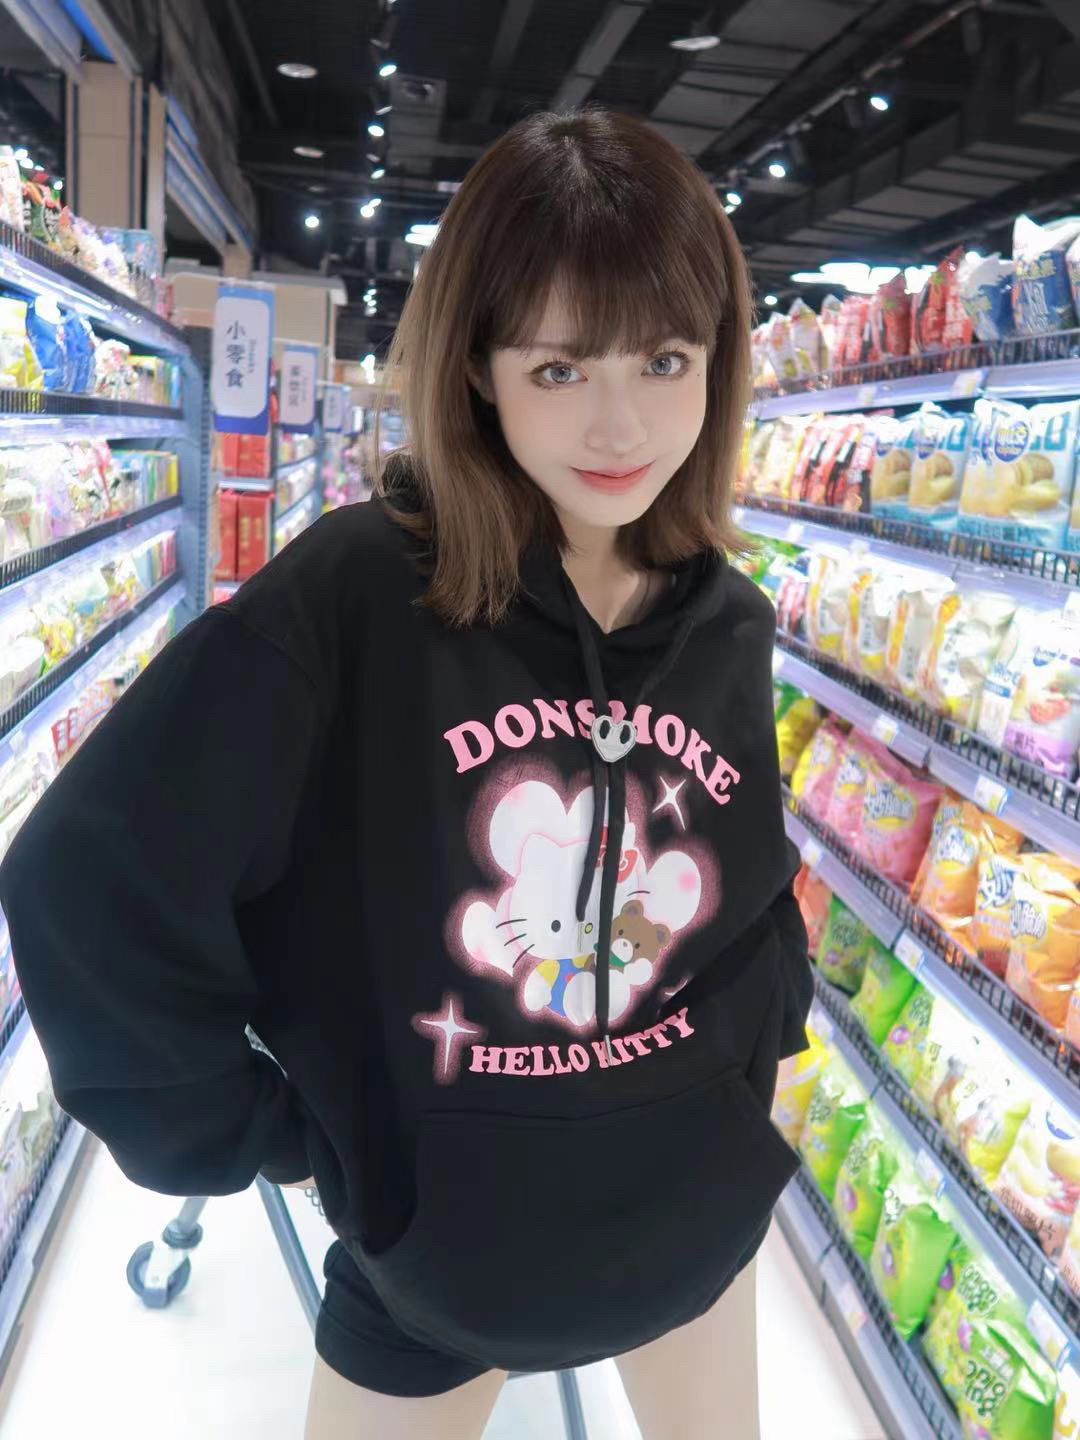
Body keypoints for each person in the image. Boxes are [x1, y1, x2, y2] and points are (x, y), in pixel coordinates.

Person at [0, 105, 813, 1438]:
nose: (620, 421)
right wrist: (280, 1134)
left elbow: (750, 887)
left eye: (665, 359)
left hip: (692, 1224)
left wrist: (740, 1070)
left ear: (719, 363)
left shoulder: (724, 618)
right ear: (480, 368)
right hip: (437, 1263)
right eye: (560, 367)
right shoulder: (361, 593)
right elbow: (92, 880)